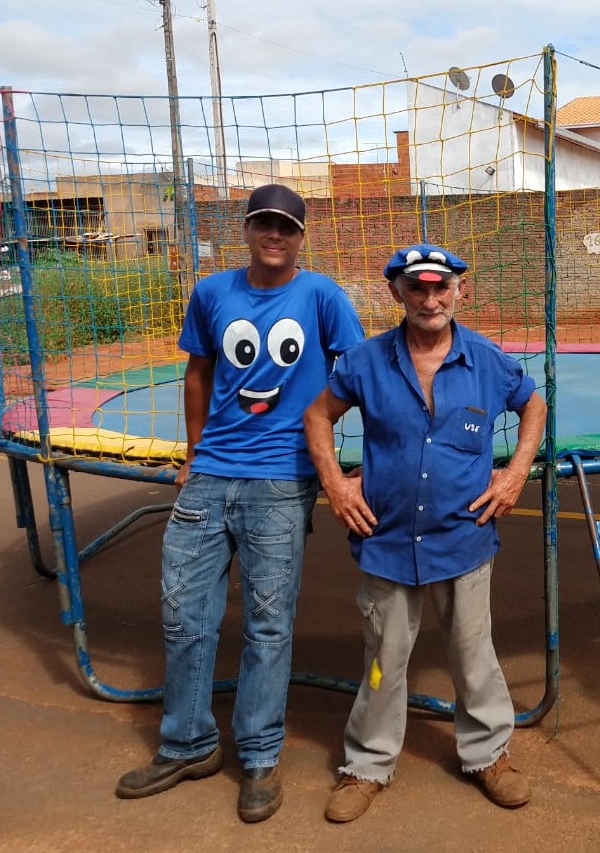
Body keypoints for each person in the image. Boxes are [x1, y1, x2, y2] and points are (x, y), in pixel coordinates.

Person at [115, 184, 366, 823]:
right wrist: (195, 454)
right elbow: (198, 373)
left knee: (267, 624)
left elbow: (358, 373)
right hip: (211, 477)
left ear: (301, 235)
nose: (273, 235)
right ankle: (188, 744)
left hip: (281, 482)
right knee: (183, 616)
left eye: (285, 226)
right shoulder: (212, 293)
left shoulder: (322, 297)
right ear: (247, 229)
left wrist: (341, 467)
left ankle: (258, 754)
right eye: (263, 224)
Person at [303, 242, 547, 824]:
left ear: (461, 290)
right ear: (397, 293)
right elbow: (317, 415)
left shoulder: (488, 363)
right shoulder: (365, 362)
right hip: (387, 543)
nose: (430, 298)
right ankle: (366, 764)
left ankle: (489, 755)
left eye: (441, 287)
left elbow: (534, 407)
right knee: (384, 660)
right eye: (417, 288)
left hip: (463, 540)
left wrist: (515, 474)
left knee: (473, 655)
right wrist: (336, 485)